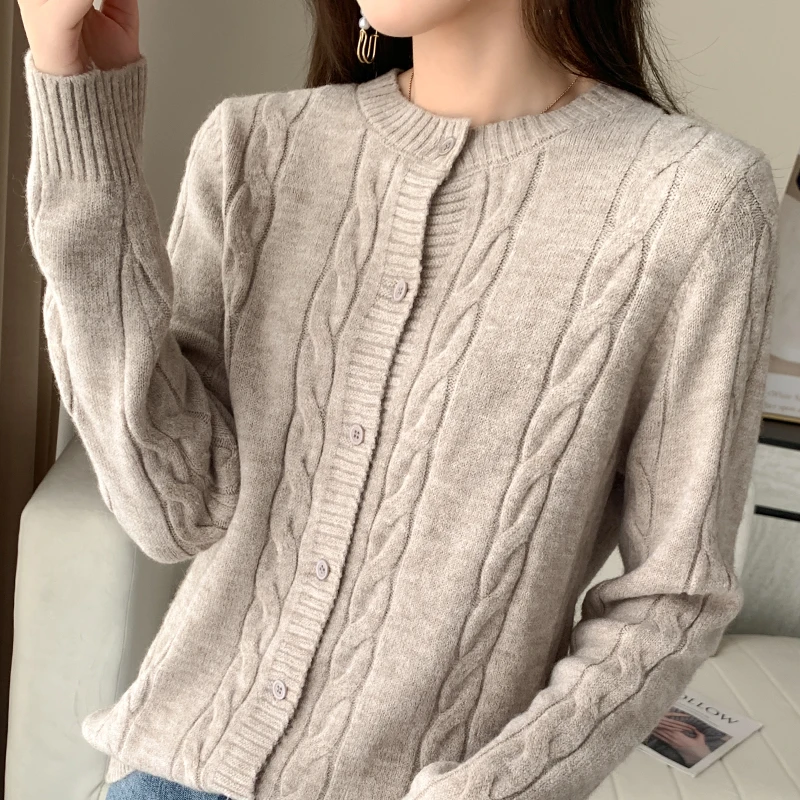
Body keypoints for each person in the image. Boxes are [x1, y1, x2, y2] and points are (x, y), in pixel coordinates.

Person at [16, 0, 780, 798]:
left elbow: (671, 599)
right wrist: (81, 116)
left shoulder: (696, 199)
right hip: (170, 773)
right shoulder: (255, 144)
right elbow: (175, 512)